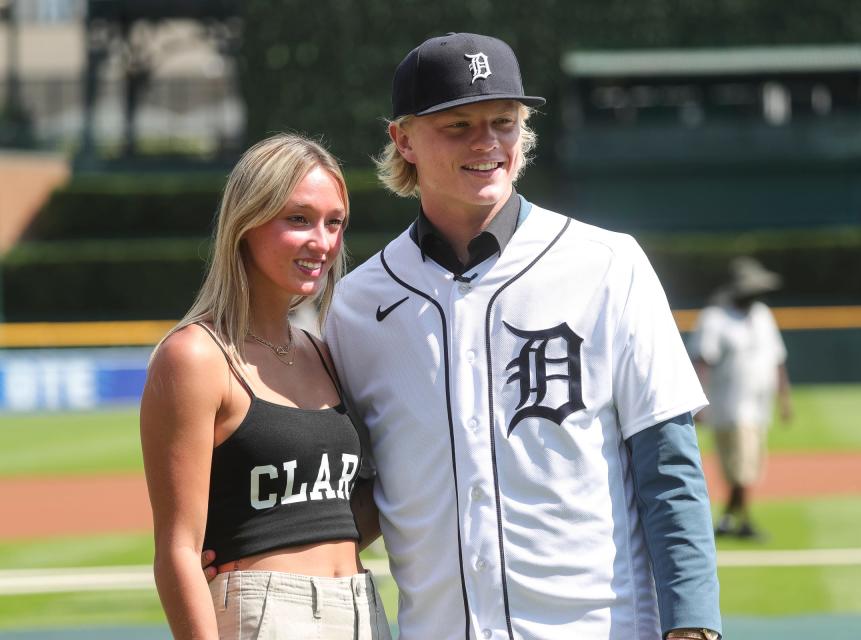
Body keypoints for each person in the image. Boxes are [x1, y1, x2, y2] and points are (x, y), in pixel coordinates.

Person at [321, 33, 721, 640]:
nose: (486, 143)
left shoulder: (608, 263)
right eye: (458, 126)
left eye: (503, 122)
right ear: (402, 139)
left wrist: (692, 627)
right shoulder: (357, 304)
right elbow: (350, 488)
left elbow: (667, 465)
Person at [140, 133, 390, 639]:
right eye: (297, 219)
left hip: (363, 606)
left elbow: (340, 509)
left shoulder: (324, 352)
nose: (321, 241)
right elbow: (178, 550)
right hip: (267, 615)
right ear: (246, 224)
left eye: (334, 222)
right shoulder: (195, 356)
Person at [689, 256, 793, 540]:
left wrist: (785, 398)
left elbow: (777, 358)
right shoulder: (715, 318)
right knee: (741, 467)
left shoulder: (762, 315)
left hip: (760, 404)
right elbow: (703, 361)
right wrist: (699, 402)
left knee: (749, 466)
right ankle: (744, 522)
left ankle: (725, 520)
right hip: (729, 404)